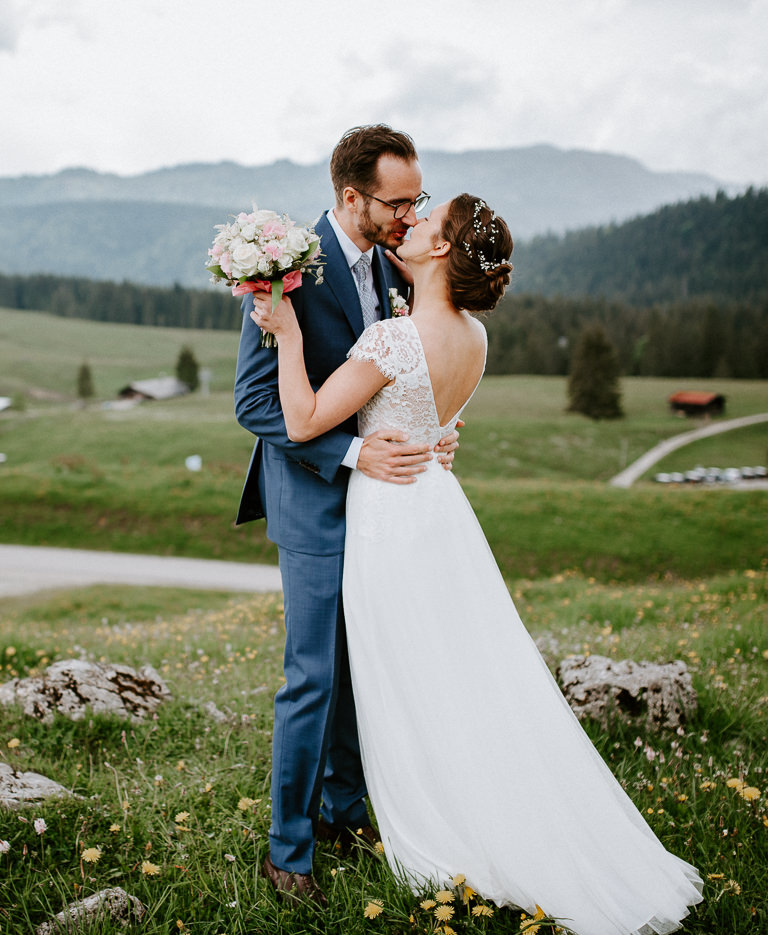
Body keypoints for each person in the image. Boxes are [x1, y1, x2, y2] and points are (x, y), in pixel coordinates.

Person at [249, 194, 704, 934]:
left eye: (427, 220)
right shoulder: (476, 336)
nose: (412, 222)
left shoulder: (397, 337)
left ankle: (427, 818)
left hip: (389, 521)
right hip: (438, 511)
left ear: (439, 251)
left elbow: (301, 420)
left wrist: (290, 333)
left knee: (396, 677)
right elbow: (434, 418)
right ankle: (424, 802)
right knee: (452, 672)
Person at [233, 124, 461, 907]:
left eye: (417, 200)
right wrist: (352, 457)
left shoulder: (392, 268)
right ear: (350, 195)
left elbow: (398, 373)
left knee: (362, 670)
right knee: (314, 676)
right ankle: (287, 850)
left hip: (383, 508)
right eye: (398, 202)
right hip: (314, 502)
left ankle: (343, 809)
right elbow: (255, 402)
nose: (409, 215)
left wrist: (432, 430)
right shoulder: (286, 270)